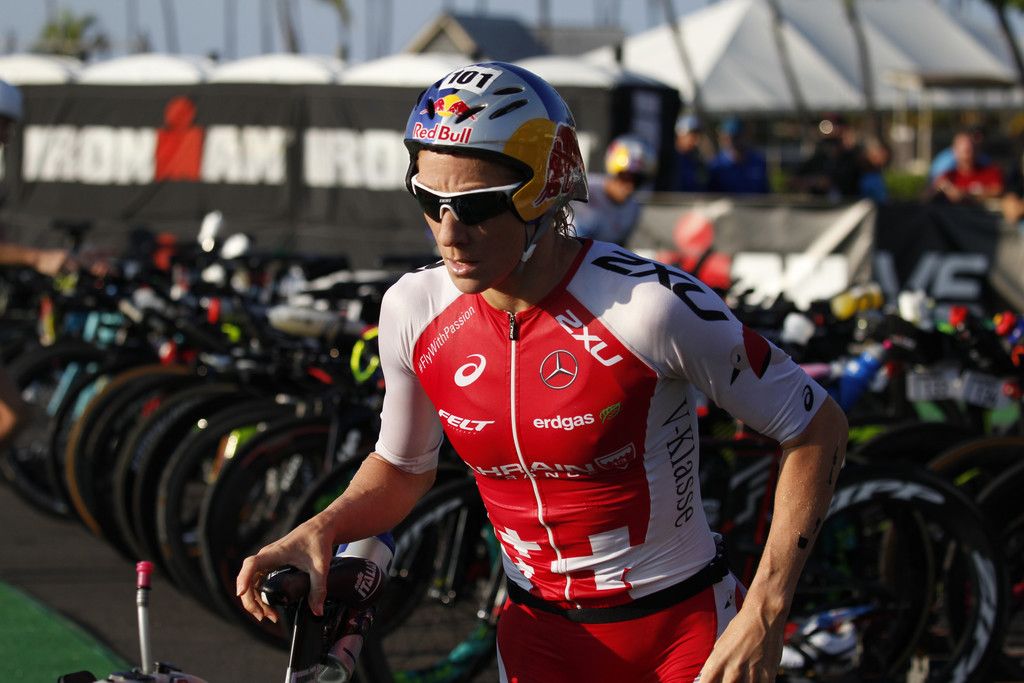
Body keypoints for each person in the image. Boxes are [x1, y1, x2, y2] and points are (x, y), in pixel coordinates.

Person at [235, 61, 848, 682]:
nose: (449, 232)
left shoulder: (648, 308)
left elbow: (817, 427)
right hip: (536, 639)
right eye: (429, 201)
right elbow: (402, 468)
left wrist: (766, 610)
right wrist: (321, 527)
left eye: (476, 205)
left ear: (543, 193)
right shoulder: (413, 309)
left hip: (682, 637)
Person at [572, 134, 656, 245]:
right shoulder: (582, 188)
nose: (629, 186)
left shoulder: (632, 209)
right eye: (624, 177)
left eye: (637, 181)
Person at [789, 115, 862, 200]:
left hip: (849, 202)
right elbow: (795, 179)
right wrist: (814, 181)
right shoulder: (819, 157)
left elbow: (849, 179)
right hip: (820, 203)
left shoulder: (853, 157)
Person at [930, 129, 1004, 205]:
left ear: (977, 149)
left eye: (970, 149)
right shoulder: (948, 176)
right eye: (964, 150)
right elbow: (931, 193)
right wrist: (942, 189)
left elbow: (998, 191)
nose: (967, 155)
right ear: (954, 151)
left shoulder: (992, 173)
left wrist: (965, 194)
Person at [706, 117, 771, 195]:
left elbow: (766, 192)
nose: (732, 141)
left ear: (744, 136)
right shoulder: (716, 165)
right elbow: (710, 195)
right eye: (727, 137)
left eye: (736, 137)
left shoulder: (758, 161)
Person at [671, 113, 707, 193]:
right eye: (693, 136)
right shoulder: (670, 161)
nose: (697, 141)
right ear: (681, 135)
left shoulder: (698, 162)